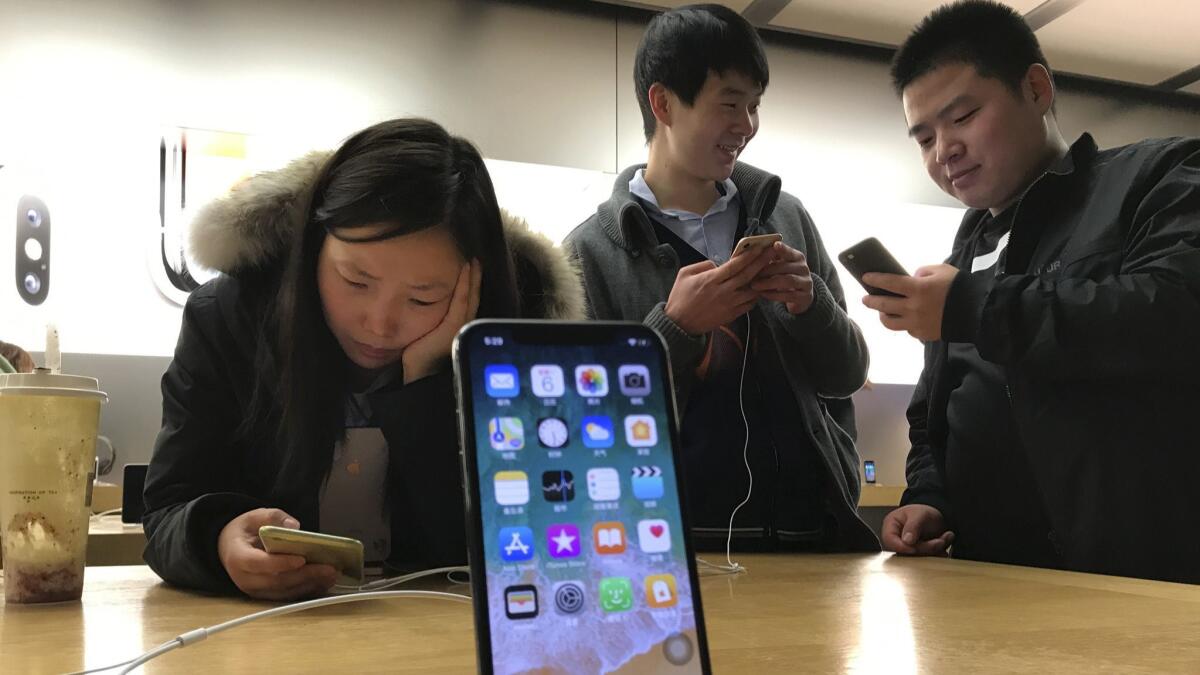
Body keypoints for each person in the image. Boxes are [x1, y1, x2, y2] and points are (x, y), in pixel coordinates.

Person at [143, 118, 586, 599]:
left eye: (423, 298)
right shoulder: (229, 320)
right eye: (355, 281)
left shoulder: (509, 346)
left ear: (472, 288)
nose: (380, 323)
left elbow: (521, 540)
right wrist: (218, 538)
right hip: (265, 641)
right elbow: (168, 508)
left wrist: (427, 380)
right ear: (312, 246)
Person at [867, 0, 1200, 584]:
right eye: (923, 138)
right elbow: (932, 412)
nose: (943, 149)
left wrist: (973, 306)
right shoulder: (963, 256)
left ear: (1037, 88)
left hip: (1135, 580)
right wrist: (929, 495)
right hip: (987, 581)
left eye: (963, 116)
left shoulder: (1158, 176)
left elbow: (1175, 313)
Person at [564, 4, 878, 555]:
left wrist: (813, 304)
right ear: (662, 103)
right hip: (675, 550)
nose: (747, 126)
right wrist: (675, 329)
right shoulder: (590, 252)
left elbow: (848, 375)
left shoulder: (788, 218)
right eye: (730, 104)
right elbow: (583, 428)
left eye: (755, 107)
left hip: (816, 535)